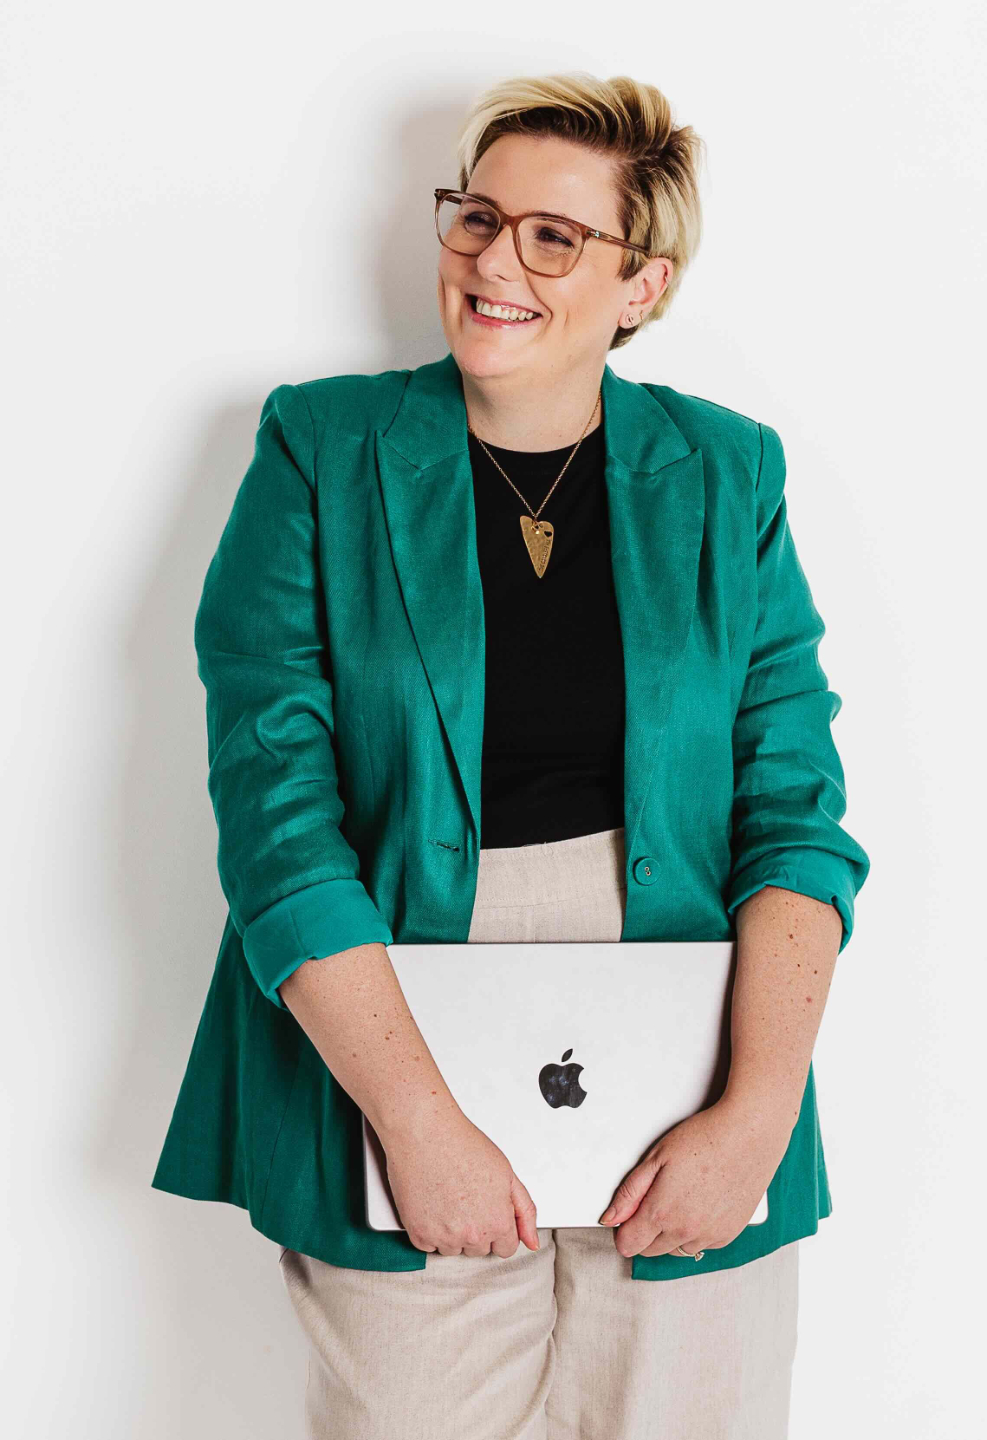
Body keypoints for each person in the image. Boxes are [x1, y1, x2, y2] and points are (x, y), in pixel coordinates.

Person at [152, 70, 870, 1439]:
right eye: (478, 218)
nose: (494, 261)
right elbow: (277, 817)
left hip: (695, 1035)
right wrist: (416, 1123)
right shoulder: (321, 449)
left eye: (554, 237)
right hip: (391, 1023)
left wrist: (757, 1112)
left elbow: (794, 813)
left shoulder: (731, 473)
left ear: (643, 284)